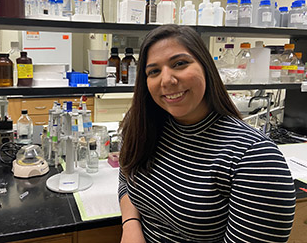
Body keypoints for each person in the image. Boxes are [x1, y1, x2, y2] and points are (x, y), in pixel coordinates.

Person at [118, 24, 295, 243]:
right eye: (154, 71)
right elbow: (126, 176)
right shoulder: (143, 127)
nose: (166, 80)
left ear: (206, 67)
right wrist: (130, 226)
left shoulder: (255, 158)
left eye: (180, 64)